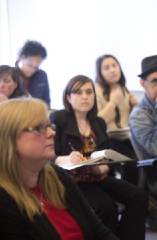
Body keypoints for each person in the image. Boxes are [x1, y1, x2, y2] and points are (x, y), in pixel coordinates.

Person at [0, 99, 118, 240]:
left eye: (49, 126)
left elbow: (99, 232)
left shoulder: (57, 175)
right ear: (10, 140)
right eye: (39, 128)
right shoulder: (4, 198)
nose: (52, 133)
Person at [50, 75, 148, 240]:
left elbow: (106, 157)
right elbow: (49, 155)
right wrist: (67, 159)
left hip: (97, 176)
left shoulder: (98, 123)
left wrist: (102, 167)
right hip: (73, 180)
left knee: (139, 196)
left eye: (89, 92)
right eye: (78, 92)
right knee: (106, 206)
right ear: (68, 97)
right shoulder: (59, 119)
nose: (85, 96)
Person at [95, 54, 139, 184]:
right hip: (109, 139)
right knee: (132, 164)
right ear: (100, 72)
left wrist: (135, 106)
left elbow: (128, 120)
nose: (112, 70)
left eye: (114, 65)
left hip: (126, 137)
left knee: (146, 161)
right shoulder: (96, 90)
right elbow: (99, 122)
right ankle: (129, 197)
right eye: (106, 68)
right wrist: (113, 101)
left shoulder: (123, 89)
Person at [16, 40, 50, 107]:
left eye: (36, 67)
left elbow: (46, 102)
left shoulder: (42, 76)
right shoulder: (11, 75)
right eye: (30, 65)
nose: (32, 70)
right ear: (22, 57)